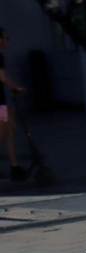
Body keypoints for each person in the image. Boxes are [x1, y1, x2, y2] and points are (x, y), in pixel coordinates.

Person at [0, 26, 26, 181]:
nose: (8, 41)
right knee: (3, 133)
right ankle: (14, 166)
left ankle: (14, 166)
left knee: (9, 132)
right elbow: (2, 77)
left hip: (1, 103)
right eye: (6, 38)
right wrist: (17, 88)